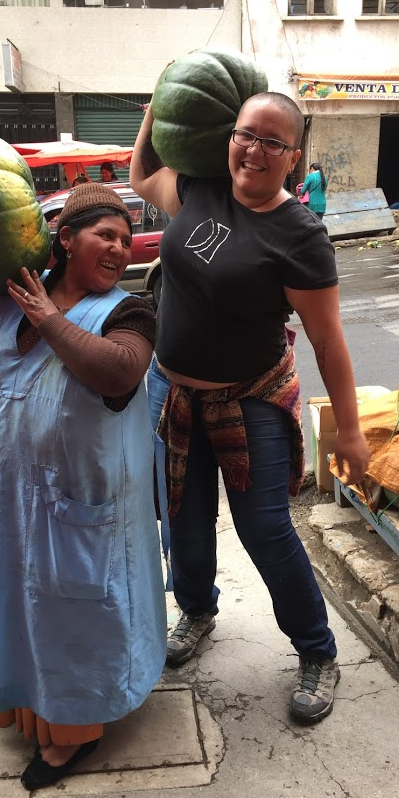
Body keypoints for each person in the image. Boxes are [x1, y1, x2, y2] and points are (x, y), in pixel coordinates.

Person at [130, 90, 370, 725]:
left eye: (272, 142)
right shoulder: (201, 187)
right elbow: (143, 177)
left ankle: (317, 650)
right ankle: (197, 611)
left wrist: (349, 431)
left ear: (294, 156)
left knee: (265, 528)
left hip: (251, 398)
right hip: (172, 393)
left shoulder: (300, 235)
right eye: (245, 135)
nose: (254, 151)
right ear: (229, 137)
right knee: (181, 517)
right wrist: (157, 106)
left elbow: (328, 340)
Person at [0, 183, 166, 790]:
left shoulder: (128, 313)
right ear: (67, 238)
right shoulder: (6, 298)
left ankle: (73, 736)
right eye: (106, 235)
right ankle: (17, 701)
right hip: (2, 506)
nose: (120, 249)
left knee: (69, 620)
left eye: (126, 239)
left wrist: (50, 319)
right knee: (9, 600)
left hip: (74, 513)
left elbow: (120, 371)